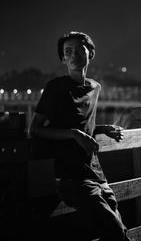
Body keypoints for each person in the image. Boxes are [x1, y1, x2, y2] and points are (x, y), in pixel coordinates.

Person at [29, 31, 131, 241]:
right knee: (116, 232)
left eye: (79, 50)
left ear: (90, 53)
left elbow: (84, 125)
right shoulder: (55, 88)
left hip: (96, 173)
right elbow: (35, 129)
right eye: (68, 52)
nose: (73, 54)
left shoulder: (95, 87)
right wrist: (73, 134)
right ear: (63, 58)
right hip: (71, 178)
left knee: (117, 229)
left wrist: (102, 129)